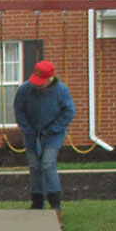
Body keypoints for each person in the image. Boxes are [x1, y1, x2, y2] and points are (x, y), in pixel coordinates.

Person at [13, 58, 76, 210]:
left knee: (47, 164)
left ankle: (55, 202)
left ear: (50, 79)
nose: (36, 85)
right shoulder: (25, 90)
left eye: (40, 82)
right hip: (31, 134)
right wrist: (27, 129)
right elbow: (19, 109)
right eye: (35, 81)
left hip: (52, 135)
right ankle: (37, 201)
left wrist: (53, 129)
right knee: (35, 166)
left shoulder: (61, 90)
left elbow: (68, 112)